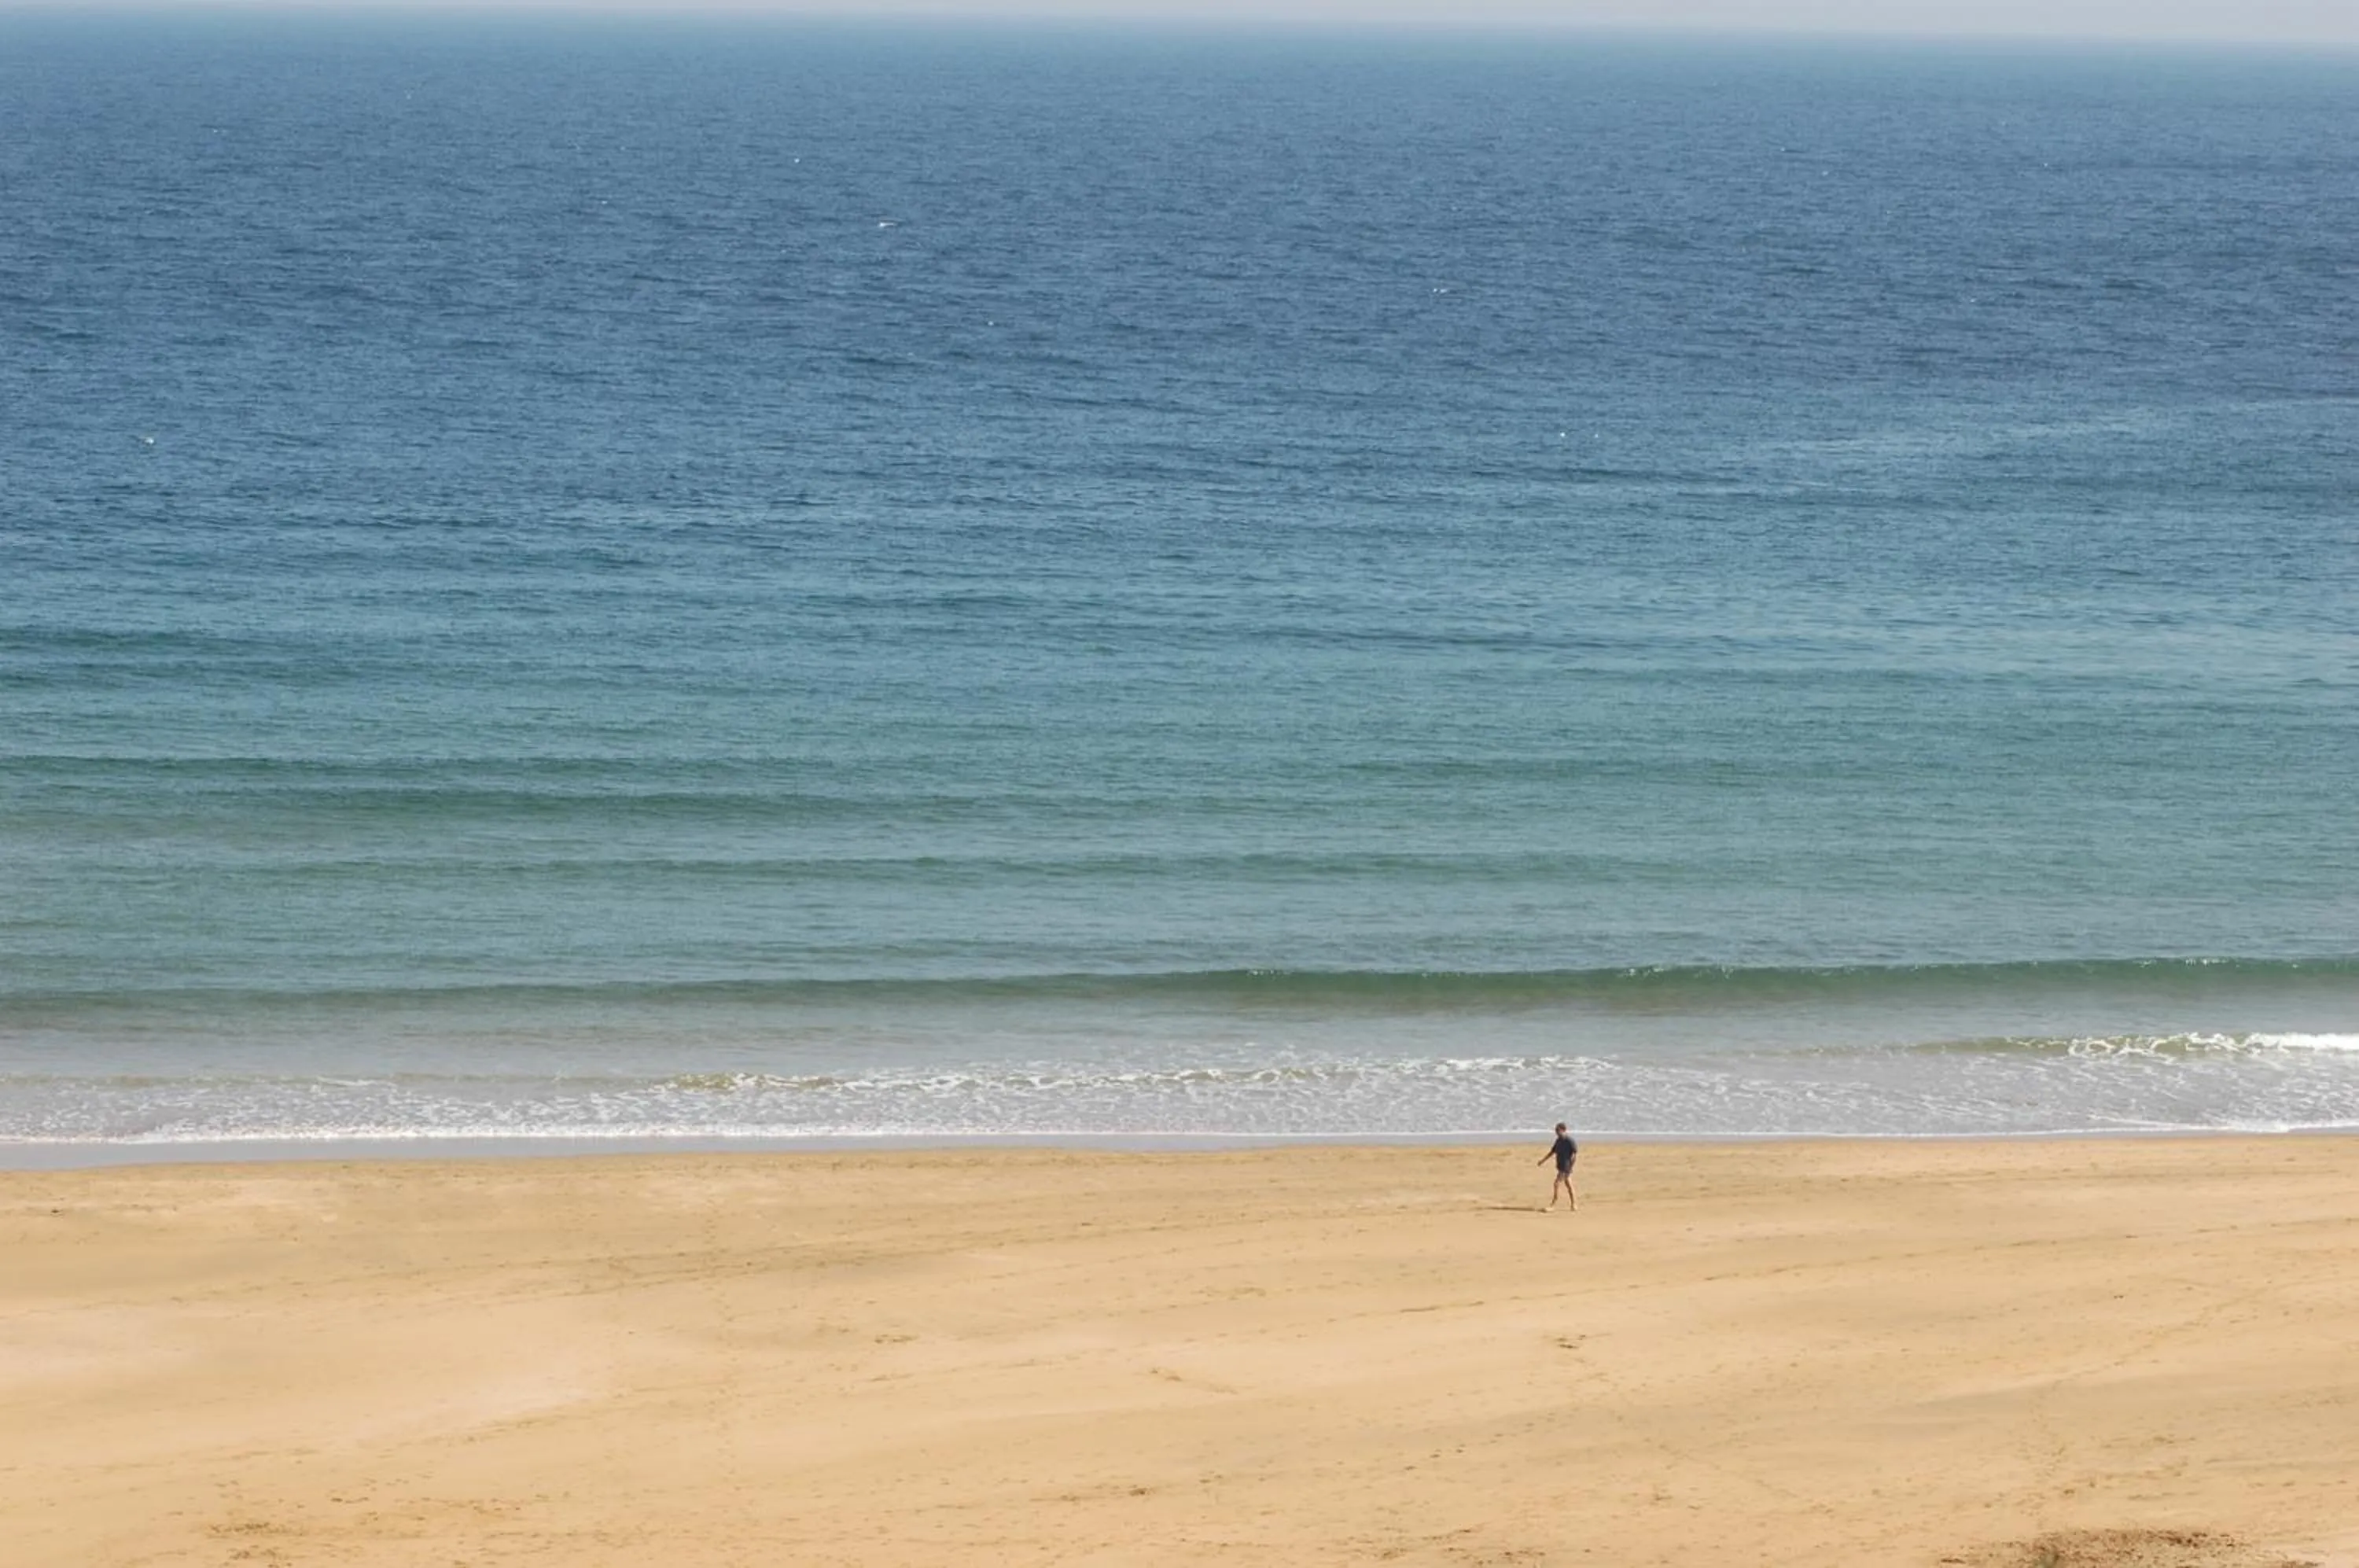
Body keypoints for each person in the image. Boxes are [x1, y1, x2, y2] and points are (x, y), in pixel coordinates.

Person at [1536, 1122, 1578, 1211]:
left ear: (1563, 1130)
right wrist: (1543, 1161)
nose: (1556, 1132)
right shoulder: (1558, 1140)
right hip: (1560, 1166)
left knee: (1556, 1184)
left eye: (1557, 1130)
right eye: (1556, 1131)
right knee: (1569, 1185)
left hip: (1566, 1167)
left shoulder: (1570, 1141)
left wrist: (1570, 1167)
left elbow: (1574, 1155)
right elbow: (1552, 1152)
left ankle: (1553, 1205)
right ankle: (1574, 1204)